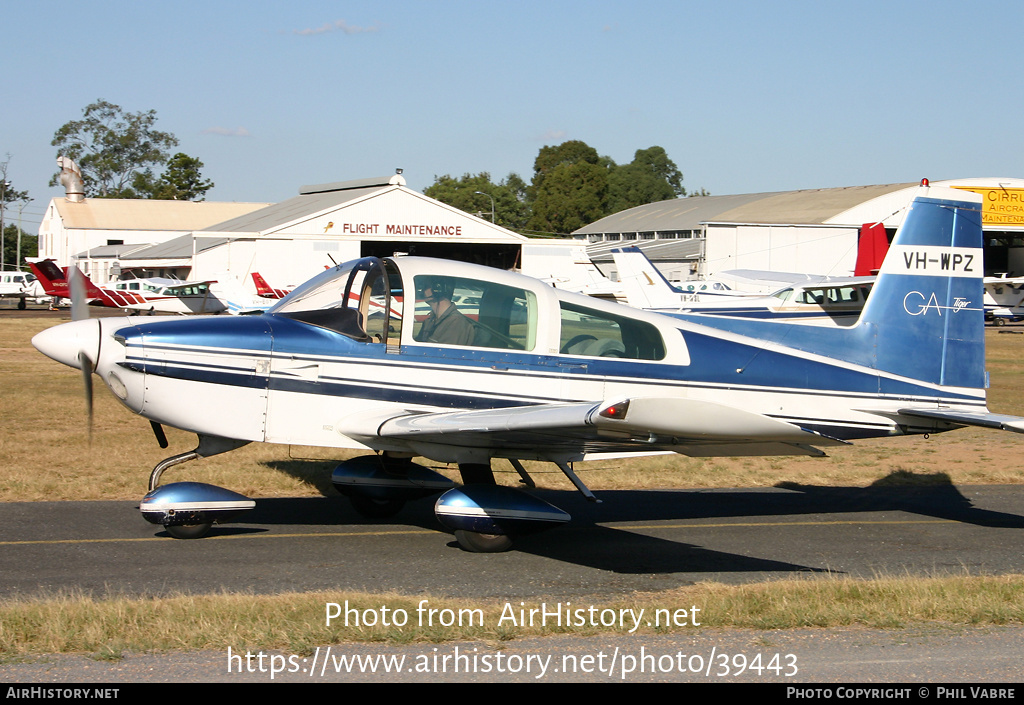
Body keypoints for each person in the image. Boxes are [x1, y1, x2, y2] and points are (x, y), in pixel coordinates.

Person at [416, 279, 476, 346]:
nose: (422, 291)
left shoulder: (456, 322)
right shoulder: (431, 320)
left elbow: (442, 354)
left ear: (438, 290)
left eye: (426, 286)